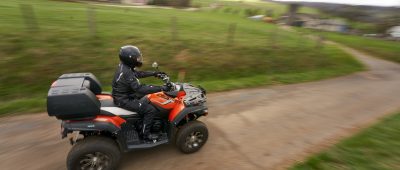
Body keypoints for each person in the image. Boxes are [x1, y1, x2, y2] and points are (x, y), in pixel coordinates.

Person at [111, 45, 170, 140]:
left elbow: (138, 74)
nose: (139, 59)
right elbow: (139, 88)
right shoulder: (126, 72)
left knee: (148, 98)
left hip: (124, 94)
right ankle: (145, 135)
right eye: (137, 58)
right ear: (130, 59)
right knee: (150, 110)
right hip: (124, 99)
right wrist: (161, 88)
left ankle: (142, 122)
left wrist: (154, 73)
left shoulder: (125, 67)